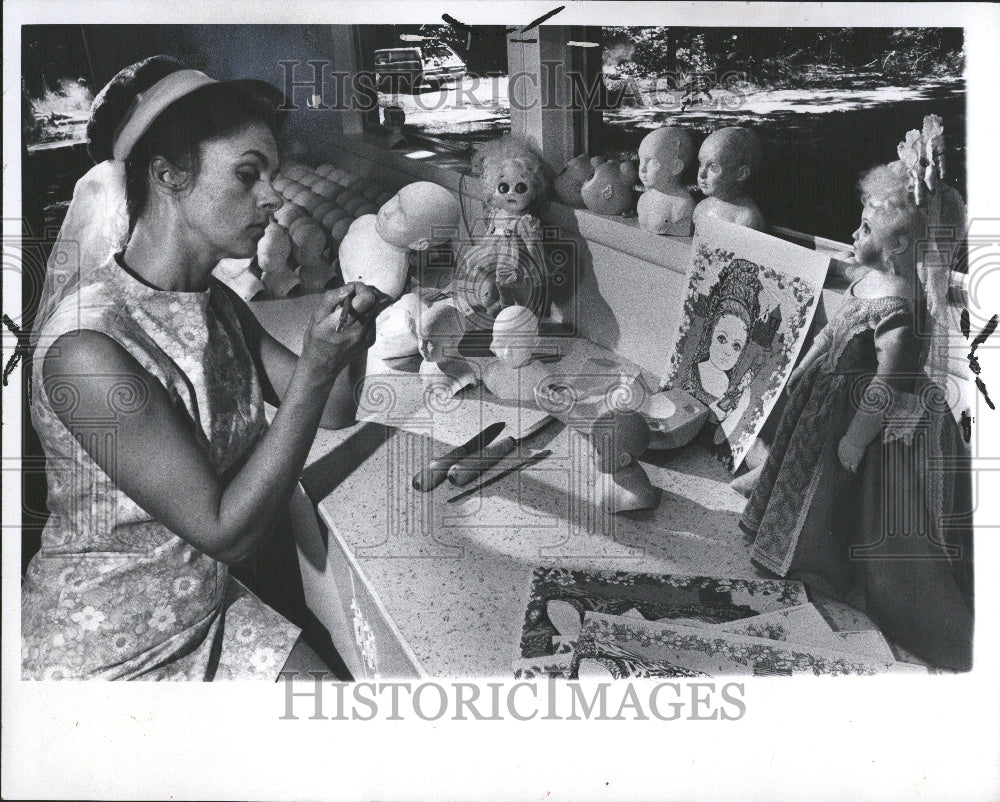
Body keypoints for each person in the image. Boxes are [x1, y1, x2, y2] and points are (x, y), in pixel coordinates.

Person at [22, 56, 385, 680]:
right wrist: (320, 366)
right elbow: (227, 531)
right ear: (167, 175)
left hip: (207, 606)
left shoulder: (211, 301)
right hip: (107, 649)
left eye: (271, 173)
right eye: (248, 174)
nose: (272, 196)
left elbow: (331, 410)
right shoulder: (85, 349)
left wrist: (350, 339)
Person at [740, 158, 973, 671]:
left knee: (848, 498)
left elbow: (887, 385)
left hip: (865, 418)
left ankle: (831, 566)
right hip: (829, 399)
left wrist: (856, 437)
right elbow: (835, 330)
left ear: (897, 249)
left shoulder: (902, 309)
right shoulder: (867, 281)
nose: (853, 232)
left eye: (865, 227)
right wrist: (804, 366)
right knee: (806, 472)